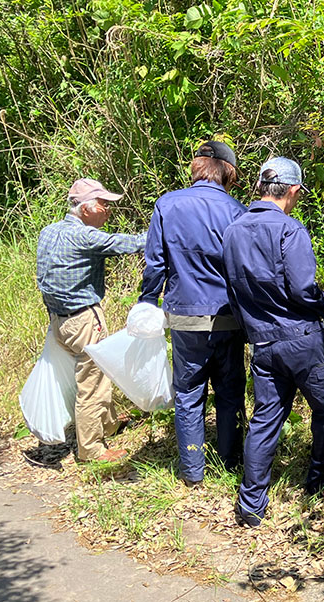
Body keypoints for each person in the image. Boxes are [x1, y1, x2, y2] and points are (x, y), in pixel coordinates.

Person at [222, 157, 324, 528]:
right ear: (292, 191)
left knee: (265, 418)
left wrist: (252, 330)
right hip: (302, 338)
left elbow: (233, 291)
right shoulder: (290, 230)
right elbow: (303, 288)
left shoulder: (233, 231)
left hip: (262, 342)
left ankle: (250, 505)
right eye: (298, 194)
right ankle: (318, 479)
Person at [139, 141, 248, 488]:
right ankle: (230, 463)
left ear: (197, 168)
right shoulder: (238, 211)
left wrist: (147, 302)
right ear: (228, 171)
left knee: (188, 392)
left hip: (184, 316)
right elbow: (245, 269)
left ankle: (192, 472)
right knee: (230, 390)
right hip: (228, 317)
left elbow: (155, 263)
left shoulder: (167, 204)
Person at [36, 178, 146, 462]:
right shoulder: (84, 236)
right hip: (84, 318)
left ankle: (108, 424)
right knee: (92, 382)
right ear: (85, 209)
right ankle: (92, 449)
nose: (108, 210)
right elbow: (130, 243)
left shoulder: (48, 232)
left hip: (59, 320)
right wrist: (166, 229)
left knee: (97, 373)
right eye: (103, 204)